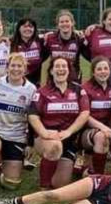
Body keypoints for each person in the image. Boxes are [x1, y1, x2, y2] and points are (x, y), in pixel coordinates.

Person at [28, 56, 90, 190]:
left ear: (69, 71)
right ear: (51, 71)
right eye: (57, 66)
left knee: (60, 184)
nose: (60, 69)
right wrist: (45, 133)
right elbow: (33, 116)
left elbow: (84, 114)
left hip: (68, 139)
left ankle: (74, 166)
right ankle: (43, 188)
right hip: (47, 138)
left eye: (64, 67)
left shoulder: (79, 90)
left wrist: (69, 131)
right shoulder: (42, 92)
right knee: (55, 146)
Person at [0, 53, 37, 190]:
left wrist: (29, 144)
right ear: (7, 68)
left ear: (25, 69)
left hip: (15, 136)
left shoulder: (31, 90)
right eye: (12, 65)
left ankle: (2, 167)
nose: (16, 69)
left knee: (11, 184)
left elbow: (32, 118)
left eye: (19, 66)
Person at [79, 57, 111, 176]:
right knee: (102, 137)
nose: (103, 71)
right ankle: (98, 176)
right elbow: (85, 115)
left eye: (106, 68)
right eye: (99, 69)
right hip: (86, 129)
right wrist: (102, 127)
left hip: (108, 127)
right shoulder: (85, 88)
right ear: (93, 72)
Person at [81, 8, 111, 83]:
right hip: (100, 76)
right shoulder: (93, 32)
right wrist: (94, 60)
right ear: (104, 21)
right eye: (110, 19)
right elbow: (83, 48)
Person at [42, 10, 82, 82]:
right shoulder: (50, 38)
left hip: (73, 79)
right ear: (58, 24)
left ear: (72, 23)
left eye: (67, 21)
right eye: (62, 22)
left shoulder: (79, 38)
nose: (64, 24)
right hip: (54, 79)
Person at [10, 17, 45, 86]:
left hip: (35, 83)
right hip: (16, 82)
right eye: (24, 26)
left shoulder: (41, 42)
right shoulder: (11, 43)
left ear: (34, 29)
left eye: (31, 26)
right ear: (19, 28)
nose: (28, 29)